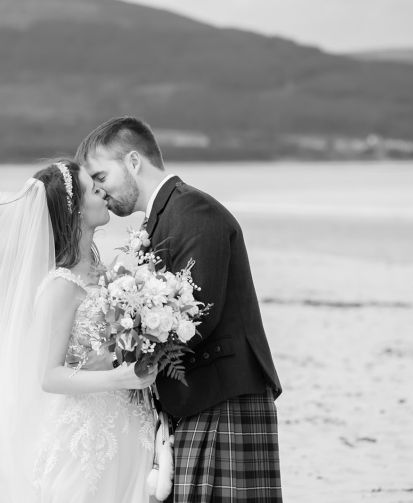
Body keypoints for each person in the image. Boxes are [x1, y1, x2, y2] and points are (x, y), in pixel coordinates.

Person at [76, 117, 284, 502]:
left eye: (101, 176)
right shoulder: (164, 217)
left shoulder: (193, 211)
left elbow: (196, 318)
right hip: (199, 399)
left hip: (222, 398)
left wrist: (125, 349)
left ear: (134, 162)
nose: (100, 191)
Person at [0, 160, 158, 503]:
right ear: (76, 212)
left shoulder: (106, 273)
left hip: (128, 427)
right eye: (96, 190)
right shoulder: (60, 286)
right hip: (87, 440)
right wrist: (119, 379)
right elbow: (48, 376)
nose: (106, 194)